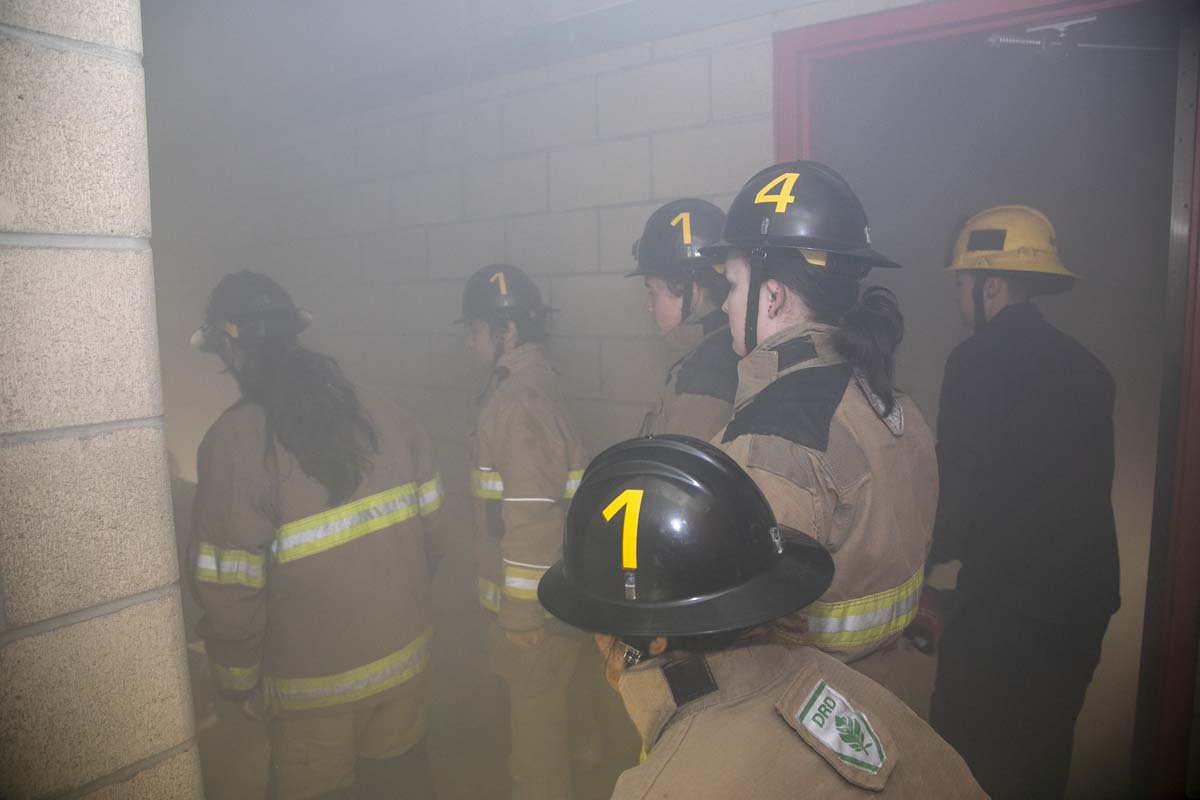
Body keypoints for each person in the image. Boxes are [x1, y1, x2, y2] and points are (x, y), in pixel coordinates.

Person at [537, 435, 985, 799]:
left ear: (651, 641)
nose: (598, 646)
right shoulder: (847, 690)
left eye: (600, 627)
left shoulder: (661, 789)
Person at [187, 271, 442, 799]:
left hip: (312, 696)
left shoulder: (234, 443)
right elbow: (433, 536)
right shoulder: (385, 412)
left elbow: (230, 591)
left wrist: (237, 684)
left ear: (229, 346)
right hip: (404, 667)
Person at [701, 161, 937, 701]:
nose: (725, 303)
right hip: (891, 703)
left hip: (802, 720)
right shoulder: (892, 402)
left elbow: (734, 640)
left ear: (773, 296)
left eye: (732, 285)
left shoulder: (774, 438)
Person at [927, 205, 1120, 799]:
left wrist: (920, 577)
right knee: (1041, 760)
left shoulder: (973, 362)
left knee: (961, 767)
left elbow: (957, 492)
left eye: (962, 283)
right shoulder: (1090, 370)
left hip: (1007, 611)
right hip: (1082, 610)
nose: (958, 298)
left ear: (990, 286)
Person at [459, 264, 589, 800]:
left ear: (505, 331)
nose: (470, 343)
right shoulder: (534, 386)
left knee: (537, 756)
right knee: (545, 738)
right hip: (548, 606)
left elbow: (532, 518)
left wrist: (520, 617)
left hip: (536, 617)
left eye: (475, 330)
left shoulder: (519, 401)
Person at [628, 198, 739, 440]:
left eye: (652, 292)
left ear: (691, 292)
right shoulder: (712, 354)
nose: (649, 307)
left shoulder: (705, 378)